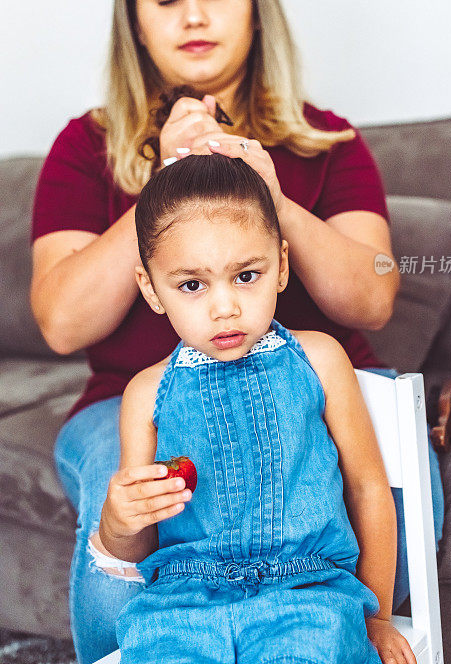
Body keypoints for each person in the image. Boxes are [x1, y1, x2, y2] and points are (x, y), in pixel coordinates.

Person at [29, 0, 443, 664]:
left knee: (391, 520)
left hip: (313, 389)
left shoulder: (328, 143)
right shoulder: (87, 148)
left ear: (255, 5)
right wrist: (166, 180)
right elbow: (62, 322)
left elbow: (374, 296)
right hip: (129, 402)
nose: (194, 14)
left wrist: (267, 194)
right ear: (136, 19)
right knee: (121, 565)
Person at [99, 152, 416, 664]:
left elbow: (367, 486)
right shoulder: (145, 394)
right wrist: (117, 524)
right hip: (182, 601)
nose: (225, 306)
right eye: (192, 285)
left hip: (309, 592)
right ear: (151, 290)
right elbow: (141, 542)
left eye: (245, 276)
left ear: (281, 266)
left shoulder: (319, 359)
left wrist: (375, 616)